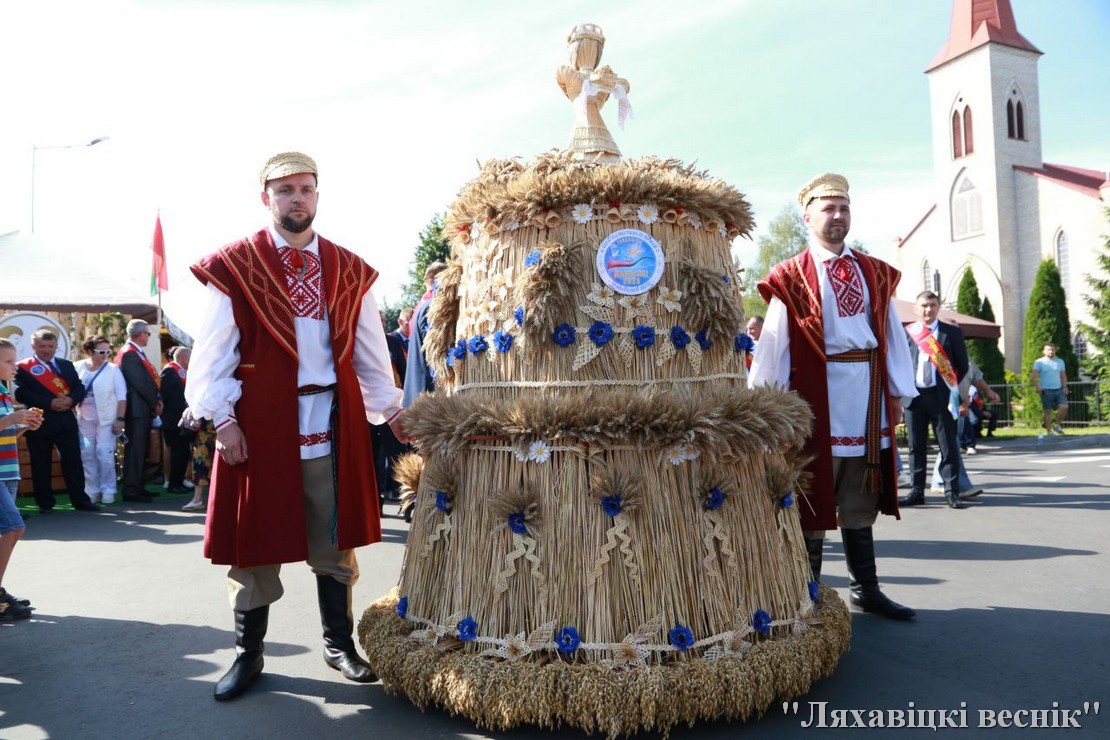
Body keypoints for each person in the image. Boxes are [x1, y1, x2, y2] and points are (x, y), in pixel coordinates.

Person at [186, 151, 407, 701]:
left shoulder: (350, 269)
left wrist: (393, 410)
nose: (296, 198)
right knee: (254, 543)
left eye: (305, 188)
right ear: (267, 198)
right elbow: (213, 353)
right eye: (284, 190)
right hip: (260, 425)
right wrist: (224, 420)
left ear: (317, 194)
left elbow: (370, 353)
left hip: (332, 422)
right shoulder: (237, 265)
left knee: (335, 540)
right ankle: (249, 653)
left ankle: (338, 645)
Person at [750, 173, 917, 621]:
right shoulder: (790, 277)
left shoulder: (875, 272)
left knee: (861, 494)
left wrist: (898, 392)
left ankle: (867, 588)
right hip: (814, 399)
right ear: (807, 216)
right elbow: (773, 343)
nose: (838, 215)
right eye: (828, 208)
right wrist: (765, 405)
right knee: (813, 493)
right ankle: (810, 596)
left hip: (866, 394)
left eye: (844, 207)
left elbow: (889, 335)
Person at [899, 291, 970, 510]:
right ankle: (917, 491)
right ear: (916, 308)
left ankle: (951, 492)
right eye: (923, 305)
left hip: (942, 398)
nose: (928, 309)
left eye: (932, 305)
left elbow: (963, 365)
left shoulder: (951, 333)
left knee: (948, 446)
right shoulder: (908, 333)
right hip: (915, 398)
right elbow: (900, 363)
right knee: (915, 447)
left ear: (938, 307)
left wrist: (957, 393)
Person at [14, 330, 98, 512]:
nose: (46, 350)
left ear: (56, 347)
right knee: (40, 463)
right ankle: (45, 503)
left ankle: (80, 500)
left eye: (50, 346)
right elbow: (21, 393)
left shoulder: (66, 365)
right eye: (42, 346)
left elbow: (79, 388)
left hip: (66, 421)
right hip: (39, 422)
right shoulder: (23, 368)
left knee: (73, 461)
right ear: (33, 346)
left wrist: (71, 400)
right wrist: (49, 403)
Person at [1, 338, 44, 620]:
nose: (14, 366)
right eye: (8, 361)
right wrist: (14, 417)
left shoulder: (5, 392)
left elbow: (6, 435)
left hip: (7, 471)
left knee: (7, 530)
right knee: (14, 527)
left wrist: (24, 425)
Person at [929, 359, 1001, 499]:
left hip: (960, 406)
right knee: (952, 444)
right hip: (946, 406)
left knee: (948, 445)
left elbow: (976, 377)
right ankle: (962, 486)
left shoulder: (965, 358)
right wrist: (960, 403)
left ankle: (939, 481)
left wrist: (989, 391)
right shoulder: (937, 351)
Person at [75, 336, 127, 504]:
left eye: (107, 351)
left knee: (104, 453)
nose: (105, 355)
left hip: (106, 419)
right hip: (84, 418)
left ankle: (108, 489)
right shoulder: (78, 367)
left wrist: (120, 419)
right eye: (101, 351)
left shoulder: (113, 370)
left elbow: (122, 397)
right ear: (90, 351)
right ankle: (91, 489)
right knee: (86, 453)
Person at [116, 320, 163, 503]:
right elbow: (140, 383)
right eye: (148, 333)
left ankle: (139, 486)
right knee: (135, 450)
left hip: (141, 408)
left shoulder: (135, 352)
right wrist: (155, 402)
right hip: (137, 409)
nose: (149, 337)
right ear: (140, 334)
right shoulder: (129, 354)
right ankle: (131, 489)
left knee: (141, 450)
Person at [402, 261, 449, 409]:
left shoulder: (419, 306)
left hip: (416, 395)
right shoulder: (433, 307)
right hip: (429, 399)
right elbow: (436, 357)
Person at [160, 347, 192, 493]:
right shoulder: (169, 371)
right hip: (172, 420)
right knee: (177, 453)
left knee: (183, 452)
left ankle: (179, 481)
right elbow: (163, 396)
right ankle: (174, 484)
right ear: (183, 358)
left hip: (181, 420)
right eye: (190, 358)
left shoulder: (181, 372)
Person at [1031, 343, 1069, 440]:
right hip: (1046, 390)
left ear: (1055, 351)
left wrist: (1065, 387)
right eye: (1048, 350)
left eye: (1052, 350)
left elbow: (1063, 375)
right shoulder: (1039, 362)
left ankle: (1057, 425)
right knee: (1048, 411)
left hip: (1059, 388)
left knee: (1064, 406)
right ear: (1044, 351)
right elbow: (1034, 376)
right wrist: (1038, 387)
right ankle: (1049, 431)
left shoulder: (1060, 361)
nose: (1051, 352)